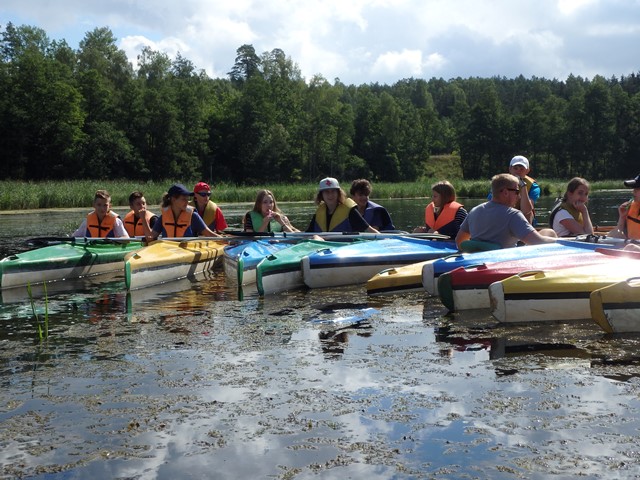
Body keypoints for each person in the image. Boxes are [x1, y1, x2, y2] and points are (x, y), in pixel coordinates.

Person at [456, 174, 556, 250]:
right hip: (504, 263)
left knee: (548, 232)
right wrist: (562, 242)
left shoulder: (474, 211)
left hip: (478, 262)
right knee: (550, 233)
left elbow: (459, 241)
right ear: (505, 192)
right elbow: (536, 242)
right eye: (517, 192)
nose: (519, 196)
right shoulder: (513, 214)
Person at [147, 183, 220, 240]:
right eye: (183, 199)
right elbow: (151, 237)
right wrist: (144, 219)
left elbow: (209, 234)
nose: (187, 202)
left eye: (187, 199)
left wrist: (223, 240)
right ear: (173, 200)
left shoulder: (193, 216)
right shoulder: (164, 217)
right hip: (168, 250)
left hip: (186, 251)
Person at [306, 177, 379, 233]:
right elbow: (307, 233)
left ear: (338, 193)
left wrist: (383, 240)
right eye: (326, 192)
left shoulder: (349, 210)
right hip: (323, 245)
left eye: (333, 191)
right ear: (321, 195)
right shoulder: (319, 212)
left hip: (345, 246)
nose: (330, 195)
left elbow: (368, 229)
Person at [489, 155, 540, 225]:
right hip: (503, 214)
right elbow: (491, 204)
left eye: (521, 169)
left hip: (522, 216)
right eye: (515, 168)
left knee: (529, 213)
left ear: (527, 171)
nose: (518, 171)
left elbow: (526, 210)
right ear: (510, 169)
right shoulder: (499, 182)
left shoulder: (533, 186)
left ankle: (525, 230)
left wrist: (523, 186)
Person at [610, 173, 640, 240]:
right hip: (631, 244)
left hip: (634, 245)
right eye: (634, 188)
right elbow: (617, 233)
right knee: (610, 236)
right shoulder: (631, 206)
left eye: (637, 188)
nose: (633, 192)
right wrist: (622, 217)